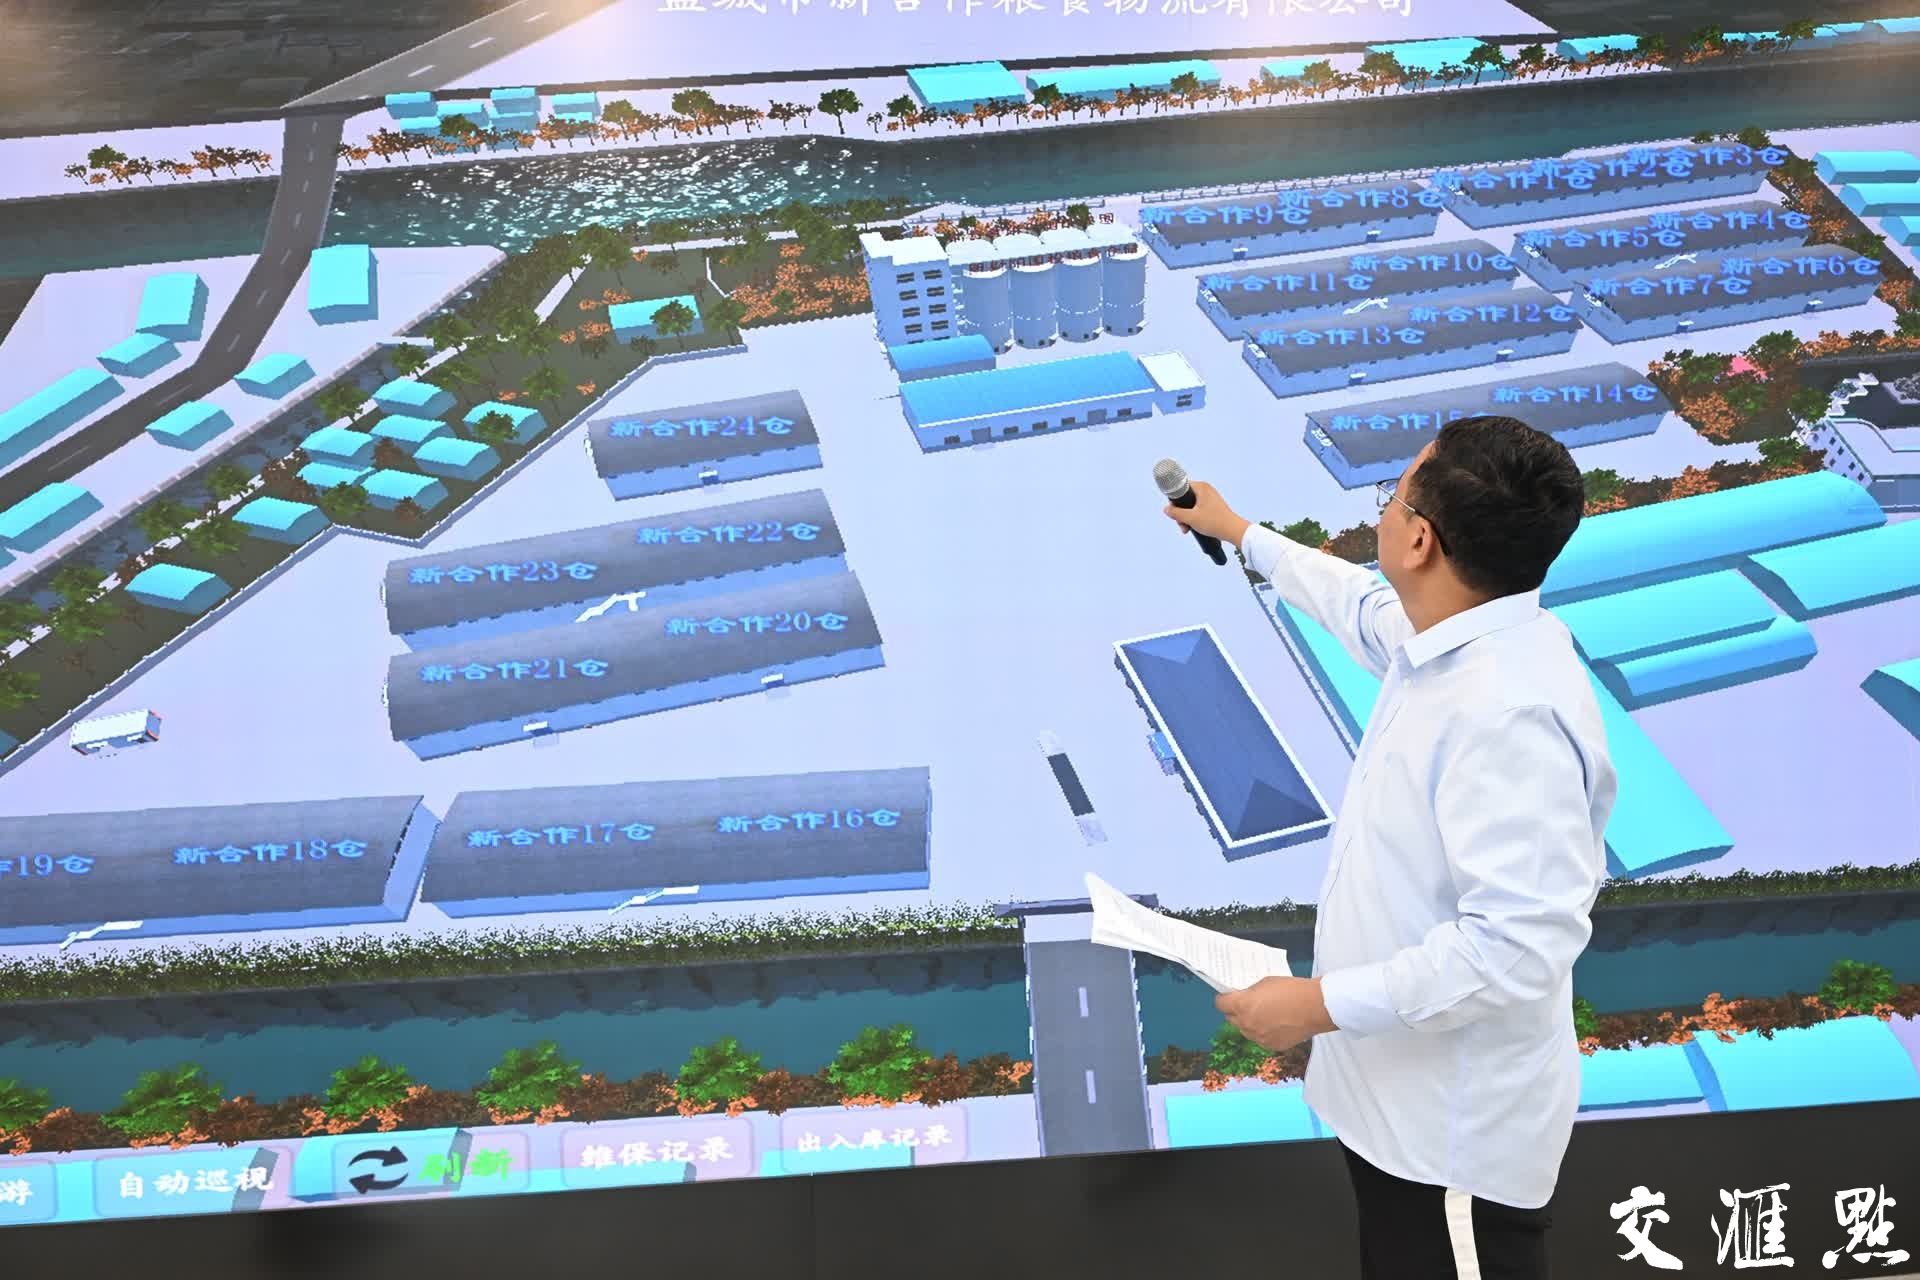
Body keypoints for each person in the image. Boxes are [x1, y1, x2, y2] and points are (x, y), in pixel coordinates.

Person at [1162, 415, 1617, 1280]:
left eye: (1392, 497)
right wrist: (1240, 533)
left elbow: (1516, 949)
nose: (1382, 513)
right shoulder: (1463, 636)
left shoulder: (1507, 714)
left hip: (1451, 1146)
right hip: (1401, 1113)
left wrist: (1316, 1005)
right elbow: (1360, 606)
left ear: (1418, 539)